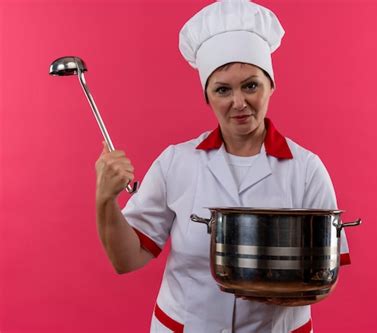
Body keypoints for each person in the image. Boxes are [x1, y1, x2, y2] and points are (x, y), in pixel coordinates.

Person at [94, 1, 351, 332]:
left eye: (251, 85)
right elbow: (126, 259)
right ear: (207, 96)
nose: (239, 103)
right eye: (223, 90)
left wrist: (288, 291)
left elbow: (325, 273)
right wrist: (104, 201)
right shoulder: (176, 162)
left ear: (271, 84)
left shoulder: (307, 169)